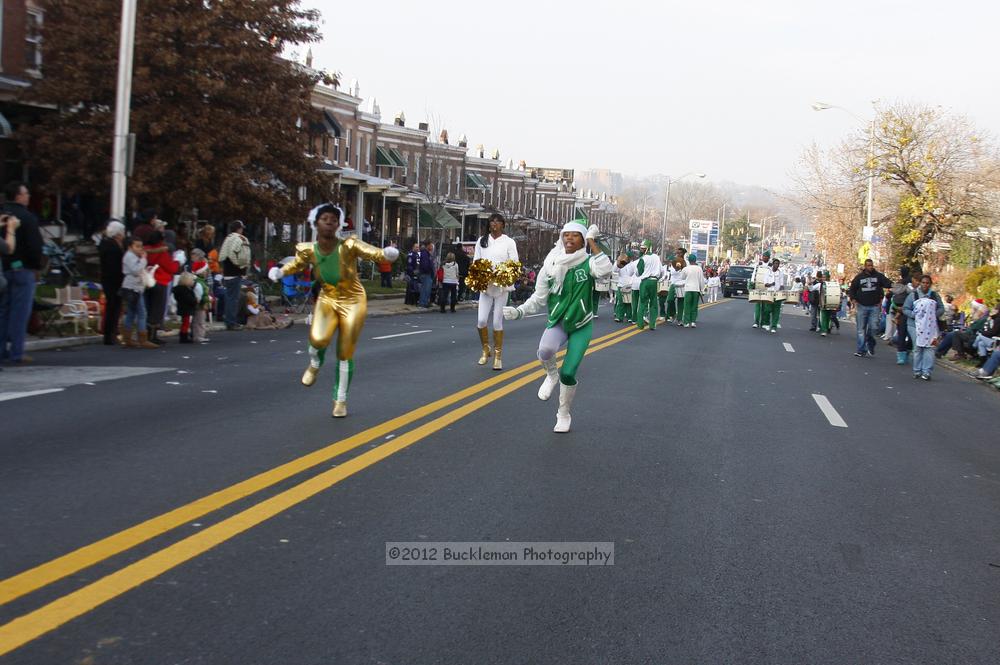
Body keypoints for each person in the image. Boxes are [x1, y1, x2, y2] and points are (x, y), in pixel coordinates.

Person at [270, 203, 398, 417]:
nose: (329, 222)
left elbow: (372, 253)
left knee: (344, 352)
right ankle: (314, 363)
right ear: (316, 224)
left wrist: (386, 254)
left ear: (338, 225)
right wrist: (281, 272)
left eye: (333, 219)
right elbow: (297, 264)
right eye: (324, 218)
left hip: (353, 300)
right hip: (328, 298)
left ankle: (340, 400)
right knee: (318, 339)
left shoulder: (348, 245)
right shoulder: (309, 249)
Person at [503, 221, 610, 433]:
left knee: (568, 373)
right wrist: (520, 311)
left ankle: (563, 413)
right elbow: (539, 297)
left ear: (581, 240)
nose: (569, 238)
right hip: (558, 320)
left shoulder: (588, 262)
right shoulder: (550, 265)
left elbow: (605, 270)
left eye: (575, 235)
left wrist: (592, 241)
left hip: (581, 323)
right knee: (545, 351)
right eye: (566, 235)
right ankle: (551, 375)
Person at [0, 181, 42, 364]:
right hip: (23, 269)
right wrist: (36, 266)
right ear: (18, 196)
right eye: (26, 193)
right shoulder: (27, 217)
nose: (28, 196)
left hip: (4, 268)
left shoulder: (2, 215)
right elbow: (35, 246)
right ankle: (17, 351)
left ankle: (1, 349)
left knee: (3, 311)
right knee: (20, 312)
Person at [472, 213, 518, 369]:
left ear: (503, 224)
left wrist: (502, 273)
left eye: (498, 221)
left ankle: (498, 356)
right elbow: (476, 261)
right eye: (492, 221)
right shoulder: (482, 241)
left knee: (497, 321)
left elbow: (514, 263)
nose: (495, 224)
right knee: (481, 320)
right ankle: (486, 350)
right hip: (486, 286)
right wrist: (481, 274)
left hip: (501, 286)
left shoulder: (509, 242)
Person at [848, 258, 893, 357]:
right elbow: (852, 289)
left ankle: (870, 342)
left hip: (874, 306)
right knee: (861, 329)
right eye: (868, 265)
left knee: (874, 328)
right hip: (861, 306)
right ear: (865, 266)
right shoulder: (859, 277)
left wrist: (895, 285)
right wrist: (853, 299)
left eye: (871, 265)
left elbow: (887, 283)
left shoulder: (878, 276)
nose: (870, 267)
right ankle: (861, 350)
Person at [903, 274, 943, 380]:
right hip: (914, 326)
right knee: (918, 347)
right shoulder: (913, 295)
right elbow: (905, 308)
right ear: (920, 283)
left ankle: (927, 371)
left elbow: (941, 308)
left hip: (930, 327)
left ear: (930, 284)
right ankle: (917, 370)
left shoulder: (934, 295)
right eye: (923, 282)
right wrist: (914, 315)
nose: (925, 285)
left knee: (930, 348)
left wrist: (933, 315)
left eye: (927, 283)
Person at [120, 237, 158, 349]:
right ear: (130, 247)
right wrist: (144, 259)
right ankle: (142, 338)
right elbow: (135, 270)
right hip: (133, 287)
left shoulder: (132, 256)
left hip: (135, 287)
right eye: (137, 246)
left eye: (141, 246)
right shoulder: (129, 256)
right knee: (142, 313)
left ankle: (127, 338)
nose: (140, 249)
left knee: (131, 312)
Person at [143, 231, 179, 344]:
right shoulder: (162, 251)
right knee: (157, 309)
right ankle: (152, 335)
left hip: (146, 281)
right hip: (160, 281)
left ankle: (145, 333)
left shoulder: (144, 249)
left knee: (147, 307)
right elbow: (172, 268)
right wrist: (177, 261)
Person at [219, 220, 251, 330]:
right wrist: (240, 266)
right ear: (239, 229)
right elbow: (241, 255)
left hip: (227, 272)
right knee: (233, 299)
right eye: (242, 228)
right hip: (235, 272)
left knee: (229, 297)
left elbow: (222, 255)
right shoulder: (239, 239)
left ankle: (228, 320)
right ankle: (231, 322)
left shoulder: (228, 238)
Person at [98, 221, 127, 345]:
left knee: (116, 305)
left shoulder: (112, 244)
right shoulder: (110, 246)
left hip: (113, 278)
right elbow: (112, 264)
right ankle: (109, 333)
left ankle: (112, 332)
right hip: (112, 278)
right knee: (112, 305)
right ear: (118, 233)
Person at [634, 240, 662, 330]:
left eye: (643, 249)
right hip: (654, 281)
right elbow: (661, 271)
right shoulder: (657, 257)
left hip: (645, 282)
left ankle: (640, 324)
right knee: (653, 303)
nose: (641, 250)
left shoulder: (643, 258)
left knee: (642, 302)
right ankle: (652, 324)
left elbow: (638, 273)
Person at [172, 272, 198, 343]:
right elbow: (189, 299)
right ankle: (184, 337)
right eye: (192, 280)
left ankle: (184, 335)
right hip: (187, 309)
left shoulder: (179, 289)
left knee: (185, 323)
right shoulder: (185, 290)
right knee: (186, 323)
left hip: (183, 308)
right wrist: (195, 301)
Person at [681, 253, 705, 328]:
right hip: (696, 289)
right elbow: (701, 280)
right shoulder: (699, 268)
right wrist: (702, 290)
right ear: (695, 260)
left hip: (688, 289)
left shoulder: (686, 268)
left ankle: (686, 322)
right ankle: (693, 322)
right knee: (694, 306)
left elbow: (683, 277)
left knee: (687, 306)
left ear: (689, 260)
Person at [191, 260, 212, 343]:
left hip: (201, 304)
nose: (207, 272)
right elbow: (200, 295)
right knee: (200, 321)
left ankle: (197, 335)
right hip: (200, 305)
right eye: (205, 271)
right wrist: (205, 302)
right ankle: (198, 336)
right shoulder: (200, 283)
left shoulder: (200, 282)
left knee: (198, 321)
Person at [418, 241, 436, 308]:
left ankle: (425, 302)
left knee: (427, 289)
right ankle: (423, 303)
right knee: (425, 289)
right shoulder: (425, 254)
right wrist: (429, 271)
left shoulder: (427, 253)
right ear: (427, 246)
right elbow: (425, 265)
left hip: (427, 274)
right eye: (431, 246)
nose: (432, 247)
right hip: (426, 274)